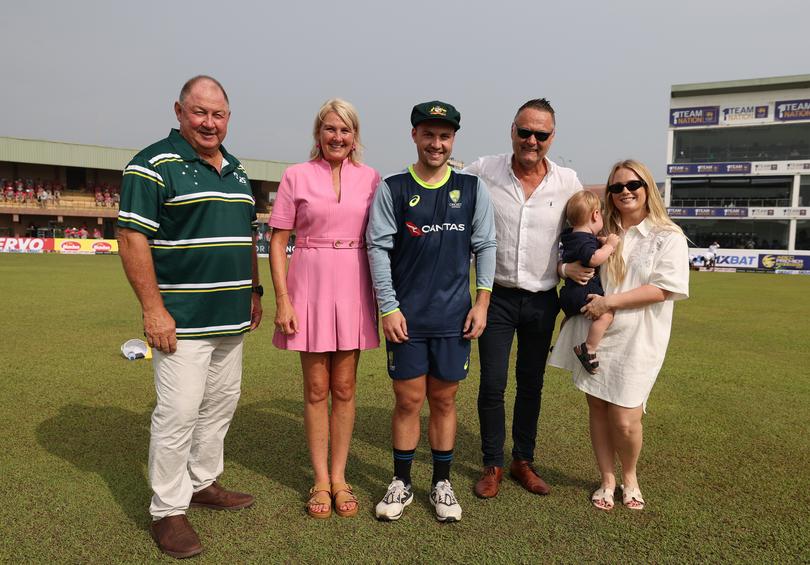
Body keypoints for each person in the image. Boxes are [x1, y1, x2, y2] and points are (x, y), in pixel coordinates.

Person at [117, 75, 262, 559]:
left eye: (218, 114)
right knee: (178, 413)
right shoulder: (151, 164)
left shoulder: (237, 169)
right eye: (200, 112)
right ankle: (166, 509)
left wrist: (255, 292)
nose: (209, 122)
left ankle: (202, 483)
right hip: (181, 321)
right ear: (179, 111)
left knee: (220, 406)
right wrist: (153, 309)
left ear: (228, 117)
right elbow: (132, 238)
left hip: (231, 317)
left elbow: (247, 238)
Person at [367, 101, 496, 523]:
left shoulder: (472, 189)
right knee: (407, 401)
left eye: (444, 136)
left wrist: (481, 303)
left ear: (453, 139)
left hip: (454, 318)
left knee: (444, 399)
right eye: (428, 134)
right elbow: (379, 249)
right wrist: (388, 307)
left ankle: (441, 483)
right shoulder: (393, 187)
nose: (436, 143)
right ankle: (402, 483)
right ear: (415, 136)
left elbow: (486, 247)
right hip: (407, 318)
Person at [463, 98, 590, 499]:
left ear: (552, 138)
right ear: (512, 130)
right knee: (492, 385)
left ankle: (523, 461)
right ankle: (492, 464)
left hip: (541, 300)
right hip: (495, 297)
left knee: (530, 384)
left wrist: (569, 268)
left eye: (541, 134)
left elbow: (584, 231)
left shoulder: (568, 181)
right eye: (525, 131)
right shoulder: (483, 171)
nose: (531, 140)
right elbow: (444, 192)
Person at [549, 159, 689, 511]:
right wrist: (567, 268)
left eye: (633, 185)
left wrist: (609, 302)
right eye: (616, 187)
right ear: (609, 196)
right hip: (595, 337)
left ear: (647, 188)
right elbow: (562, 256)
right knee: (597, 408)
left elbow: (663, 289)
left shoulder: (667, 235)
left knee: (626, 419)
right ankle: (607, 479)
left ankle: (630, 477)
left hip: (639, 337)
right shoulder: (602, 232)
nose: (625, 192)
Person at [269, 98, 380, 519]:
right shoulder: (295, 176)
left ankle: (340, 476)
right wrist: (282, 298)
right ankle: (319, 480)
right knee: (316, 389)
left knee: (345, 388)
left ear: (355, 137)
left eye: (346, 130)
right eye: (330, 129)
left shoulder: (371, 179)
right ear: (318, 133)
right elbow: (279, 242)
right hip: (308, 284)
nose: (337, 137)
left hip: (354, 283)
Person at [559, 191, 621, 374]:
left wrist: (599, 240)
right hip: (583, 290)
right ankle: (589, 348)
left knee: (569, 317)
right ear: (595, 214)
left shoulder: (570, 235)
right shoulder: (584, 240)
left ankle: (563, 343)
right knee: (607, 314)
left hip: (568, 293)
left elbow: (587, 246)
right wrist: (609, 245)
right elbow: (593, 258)